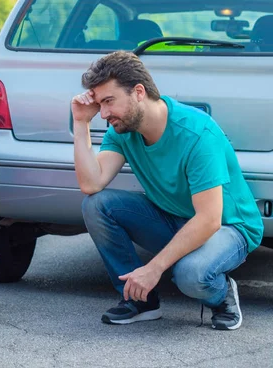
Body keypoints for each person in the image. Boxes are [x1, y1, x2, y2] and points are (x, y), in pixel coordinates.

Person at [70, 51, 263, 330]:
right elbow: (91, 183)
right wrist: (80, 123)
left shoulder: (196, 133)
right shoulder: (123, 130)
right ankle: (139, 300)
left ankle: (221, 296)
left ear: (138, 92)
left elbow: (209, 220)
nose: (103, 113)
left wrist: (154, 268)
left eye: (109, 101)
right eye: (99, 104)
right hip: (173, 217)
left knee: (191, 275)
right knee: (96, 204)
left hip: (228, 226)